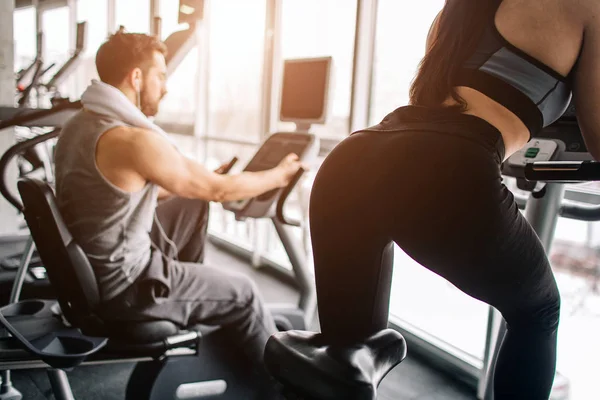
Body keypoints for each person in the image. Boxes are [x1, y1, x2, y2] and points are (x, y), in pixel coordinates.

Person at [308, 0, 596, 398]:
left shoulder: (457, 9)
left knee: (348, 357)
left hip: (354, 159)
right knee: (538, 312)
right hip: (451, 164)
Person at [53, 31, 302, 389]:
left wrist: (195, 186)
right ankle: (289, 389)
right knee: (245, 292)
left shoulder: (78, 125)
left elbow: (111, 196)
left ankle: (194, 297)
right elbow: (218, 190)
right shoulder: (130, 139)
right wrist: (279, 176)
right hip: (129, 287)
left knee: (192, 200)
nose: (165, 88)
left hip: (98, 271)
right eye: (160, 76)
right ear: (136, 78)